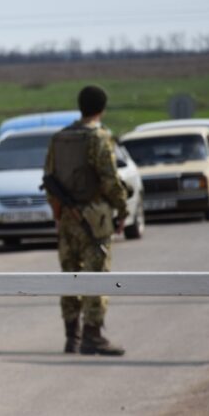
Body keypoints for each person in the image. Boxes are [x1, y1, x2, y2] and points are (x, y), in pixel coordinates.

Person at [44, 85, 129, 356]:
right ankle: (92, 335)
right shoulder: (99, 138)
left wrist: (59, 213)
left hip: (67, 219)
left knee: (70, 275)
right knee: (96, 275)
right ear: (101, 109)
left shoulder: (60, 138)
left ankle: (72, 336)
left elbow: (49, 177)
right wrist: (122, 209)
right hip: (95, 218)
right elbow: (109, 179)